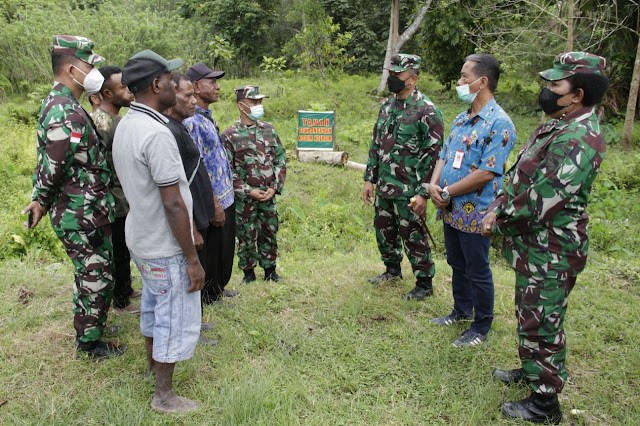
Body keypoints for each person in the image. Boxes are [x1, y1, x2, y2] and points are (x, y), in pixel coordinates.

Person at [481, 52, 609, 424]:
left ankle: (544, 402)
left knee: (543, 321)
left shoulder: (580, 137)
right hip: (535, 247)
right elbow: (522, 174)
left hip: (552, 249)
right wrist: (501, 202)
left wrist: (498, 219)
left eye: (556, 85)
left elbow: (543, 197)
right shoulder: (558, 124)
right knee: (530, 313)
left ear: (578, 94)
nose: (548, 91)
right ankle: (533, 370)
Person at [22, 35, 125, 359]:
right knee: (94, 272)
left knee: (98, 270)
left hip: (90, 209)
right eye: (89, 65)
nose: (93, 70)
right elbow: (52, 165)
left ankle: (94, 323)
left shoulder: (70, 105)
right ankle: (89, 342)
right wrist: (40, 200)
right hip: (78, 212)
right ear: (70, 68)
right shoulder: (62, 109)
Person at [113, 49, 205, 413]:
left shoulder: (127, 124)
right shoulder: (156, 133)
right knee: (173, 313)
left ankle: (153, 367)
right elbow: (173, 203)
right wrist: (192, 258)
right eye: (170, 80)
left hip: (140, 236)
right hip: (164, 243)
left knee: (153, 304)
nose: (176, 85)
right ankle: (164, 396)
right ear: (157, 84)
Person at [429, 54, 516, 347]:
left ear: (483, 81)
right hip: (450, 208)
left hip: (477, 211)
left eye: (465, 77)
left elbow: (488, 172)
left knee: (477, 269)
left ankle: (480, 326)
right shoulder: (461, 118)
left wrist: (448, 191)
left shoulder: (500, 124)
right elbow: (444, 154)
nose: (459, 82)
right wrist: (433, 184)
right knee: (456, 262)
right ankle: (461, 311)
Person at [363, 53, 444, 301]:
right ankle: (392, 270)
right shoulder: (387, 106)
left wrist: (423, 193)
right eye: (391, 73)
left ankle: (424, 282)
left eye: (397, 75)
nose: (392, 78)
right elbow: (376, 144)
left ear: (413, 79)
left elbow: (435, 154)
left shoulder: (427, 110)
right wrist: (369, 178)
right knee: (384, 230)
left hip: (410, 189)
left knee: (413, 235)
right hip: (386, 185)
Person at [163, 72, 220, 344]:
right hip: (188, 220)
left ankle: (193, 324)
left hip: (198, 213)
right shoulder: (169, 133)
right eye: (187, 96)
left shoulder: (181, 127)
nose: (193, 100)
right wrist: (192, 227)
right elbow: (175, 189)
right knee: (188, 273)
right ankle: (188, 332)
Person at [183, 63, 239, 300]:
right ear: (196, 86)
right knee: (213, 248)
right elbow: (199, 165)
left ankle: (217, 288)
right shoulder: (193, 122)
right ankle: (209, 294)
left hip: (225, 196)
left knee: (223, 248)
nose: (217, 87)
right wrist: (214, 202)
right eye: (212, 82)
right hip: (212, 200)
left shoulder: (205, 117)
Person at [222, 85, 287, 283]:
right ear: (241, 106)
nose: (259, 105)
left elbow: (281, 159)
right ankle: (248, 273)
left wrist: (275, 187)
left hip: (268, 194)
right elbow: (227, 169)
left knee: (269, 231)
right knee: (245, 234)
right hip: (245, 199)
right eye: (254, 102)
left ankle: (270, 271)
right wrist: (248, 191)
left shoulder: (269, 130)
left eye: (260, 101)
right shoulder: (230, 135)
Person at [91, 65, 140, 315]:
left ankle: (126, 288)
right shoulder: (101, 122)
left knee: (125, 246)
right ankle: (120, 300)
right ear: (107, 93)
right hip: (113, 198)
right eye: (122, 87)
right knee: (118, 249)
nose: (128, 90)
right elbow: (98, 165)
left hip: (124, 196)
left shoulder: (117, 119)